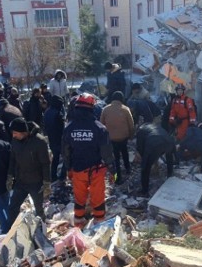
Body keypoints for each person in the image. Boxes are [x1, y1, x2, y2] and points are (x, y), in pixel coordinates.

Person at [63, 93, 115, 227]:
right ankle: (98, 225)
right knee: (98, 198)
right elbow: (106, 152)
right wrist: (112, 170)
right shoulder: (99, 128)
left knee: (79, 198)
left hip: (78, 169)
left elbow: (66, 152)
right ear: (92, 108)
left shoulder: (69, 128)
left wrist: (68, 169)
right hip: (97, 169)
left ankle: (78, 224)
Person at [6, 118, 51, 225]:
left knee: (39, 210)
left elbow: (45, 163)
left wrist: (47, 183)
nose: (13, 136)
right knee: (12, 208)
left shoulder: (39, 142)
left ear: (24, 132)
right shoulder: (15, 141)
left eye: (15, 133)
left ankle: (41, 230)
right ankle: (12, 232)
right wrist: (10, 175)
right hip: (20, 181)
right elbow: (13, 159)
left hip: (36, 182)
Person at [100, 91, 135, 184]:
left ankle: (117, 178)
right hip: (124, 138)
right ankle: (128, 169)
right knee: (125, 153)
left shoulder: (105, 109)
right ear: (122, 99)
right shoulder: (126, 109)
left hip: (111, 139)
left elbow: (101, 125)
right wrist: (131, 136)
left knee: (115, 159)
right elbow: (131, 126)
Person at [136, 123, 175, 196]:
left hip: (154, 144)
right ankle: (170, 174)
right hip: (169, 141)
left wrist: (145, 160)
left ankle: (144, 191)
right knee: (169, 156)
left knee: (145, 169)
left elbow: (140, 148)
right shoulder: (156, 126)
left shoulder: (140, 132)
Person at [43, 95, 67, 184]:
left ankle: (53, 175)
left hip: (51, 138)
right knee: (65, 157)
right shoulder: (58, 113)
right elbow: (62, 128)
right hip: (59, 139)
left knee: (55, 158)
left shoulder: (47, 112)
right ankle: (62, 175)